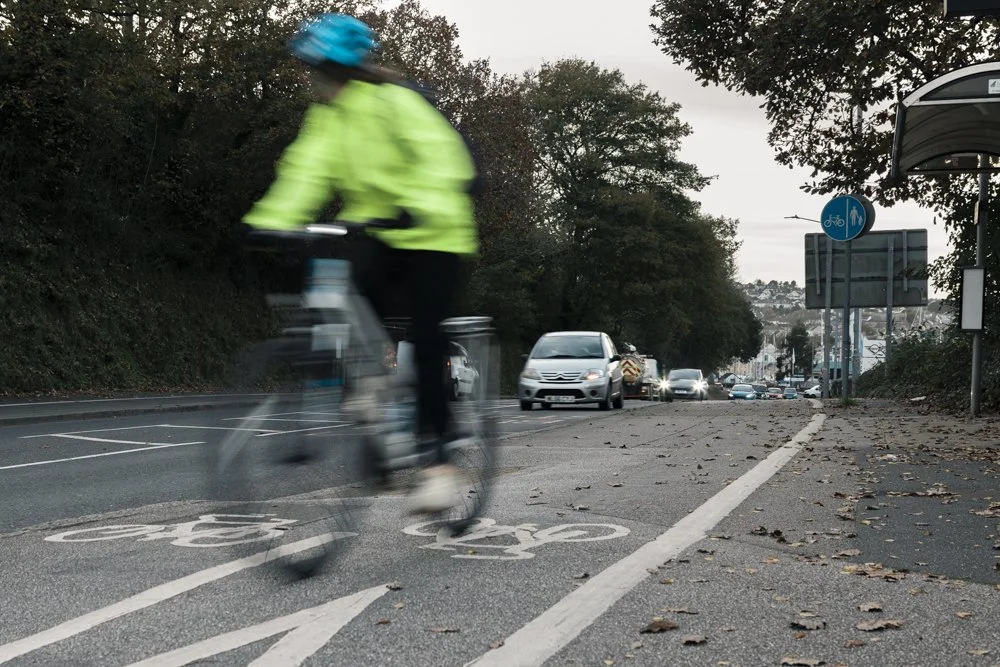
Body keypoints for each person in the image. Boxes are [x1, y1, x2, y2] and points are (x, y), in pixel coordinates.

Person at [242, 13, 479, 513]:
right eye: (314, 72)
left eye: (323, 71)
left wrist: (416, 206)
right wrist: (268, 219)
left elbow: (444, 159)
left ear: (346, 69)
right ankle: (375, 410)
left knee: (425, 333)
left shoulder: (396, 102)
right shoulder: (326, 120)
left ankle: (440, 466)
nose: (317, 82)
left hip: (437, 231)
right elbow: (303, 171)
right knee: (347, 305)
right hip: (377, 230)